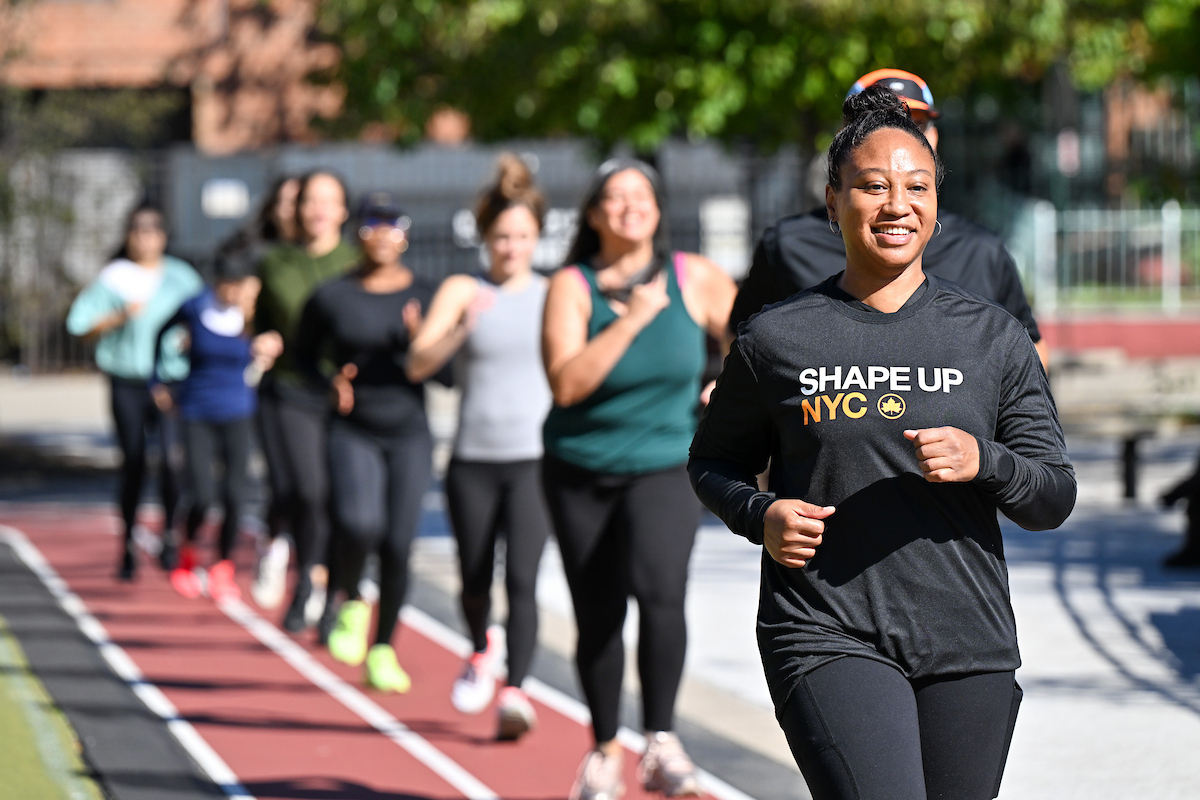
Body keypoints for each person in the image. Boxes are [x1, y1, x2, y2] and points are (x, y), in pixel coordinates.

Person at [689, 86, 1077, 800]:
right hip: (826, 626)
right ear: (833, 201)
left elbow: (1053, 495)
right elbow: (713, 462)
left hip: (968, 637)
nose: (897, 204)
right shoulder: (776, 337)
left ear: (936, 201)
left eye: (916, 186)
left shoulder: (992, 337)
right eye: (873, 186)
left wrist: (983, 460)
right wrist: (759, 515)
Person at [541, 159, 736, 800]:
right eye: (614, 197)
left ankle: (660, 741)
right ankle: (602, 749)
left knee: (660, 590)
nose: (630, 206)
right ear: (594, 214)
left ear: (657, 208)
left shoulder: (694, 277)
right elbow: (568, 384)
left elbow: (759, 341)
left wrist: (729, 386)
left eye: (641, 195)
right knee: (598, 615)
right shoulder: (572, 286)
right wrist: (632, 317)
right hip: (580, 470)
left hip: (664, 463)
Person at [729, 69, 1049, 370]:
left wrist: (988, 427)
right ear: (843, 139)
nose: (894, 137)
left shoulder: (982, 251)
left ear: (934, 140)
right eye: (873, 123)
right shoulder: (788, 245)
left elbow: (1029, 353)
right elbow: (743, 343)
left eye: (915, 124)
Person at [407, 154, 553, 739]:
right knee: (473, 577)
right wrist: (462, 327)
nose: (511, 247)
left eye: (522, 237)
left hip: (536, 462)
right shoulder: (463, 289)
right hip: (472, 460)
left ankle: (515, 691)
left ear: (537, 238)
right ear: (486, 238)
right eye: (502, 237)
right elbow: (418, 361)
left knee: (521, 579)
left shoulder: (554, 293)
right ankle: (479, 646)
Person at [295, 192, 439, 693]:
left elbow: (448, 377)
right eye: (373, 222)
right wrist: (329, 382)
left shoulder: (425, 293)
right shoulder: (333, 295)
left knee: (398, 544)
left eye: (393, 222)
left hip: (409, 433)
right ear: (357, 231)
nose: (383, 232)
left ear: (406, 232)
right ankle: (352, 596)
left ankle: (382, 649)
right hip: (353, 429)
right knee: (358, 523)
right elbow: (302, 356)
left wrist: (424, 343)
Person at [66, 204, 204, 580]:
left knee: (174, 462)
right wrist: (118, 317)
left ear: (163, 235)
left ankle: (171, 536)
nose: (145, 238)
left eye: (152, 230)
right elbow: (78, 326)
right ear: (128, 236)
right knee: (135, 461)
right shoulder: (115, 278)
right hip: (127, 381)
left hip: (171, 381)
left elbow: (205, 319)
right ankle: (128, 540)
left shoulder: (181, 277)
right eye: (137, 230)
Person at [254, 170, 357, 630]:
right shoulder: (276, 263)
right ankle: (305, 583)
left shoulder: (357, 262)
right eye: (310, 201)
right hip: (293, 390)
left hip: (348, 395)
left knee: (346, 503)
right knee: (309, 492)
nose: (317, 210)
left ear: (343, 210)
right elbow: (260, 323)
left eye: (327, 201)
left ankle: (337, 589)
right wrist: (263, 340)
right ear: (296, 209)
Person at [151, 252, 283, 602]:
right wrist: (157, 382)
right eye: (226, 283)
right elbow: (159, 333)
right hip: (197, 411)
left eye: (237, 285)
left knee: (237, 497)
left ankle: (223, 565)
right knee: (203, 494)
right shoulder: (194, 308)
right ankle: (188, 551)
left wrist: (267, 349)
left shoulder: (250, 315)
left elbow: (275, 345)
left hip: (238, 411)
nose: (231, 291)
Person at [216, 175, 301, 609]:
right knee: (281, 476)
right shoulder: (254, 253)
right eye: (285, 201)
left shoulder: (318, 257)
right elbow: (227, 304)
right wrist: (253, 329)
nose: (293, 210)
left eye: (299, 202)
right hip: (261, 379)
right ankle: (275, 541)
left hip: (311, 383)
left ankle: (313, 570)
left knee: (314, 484)